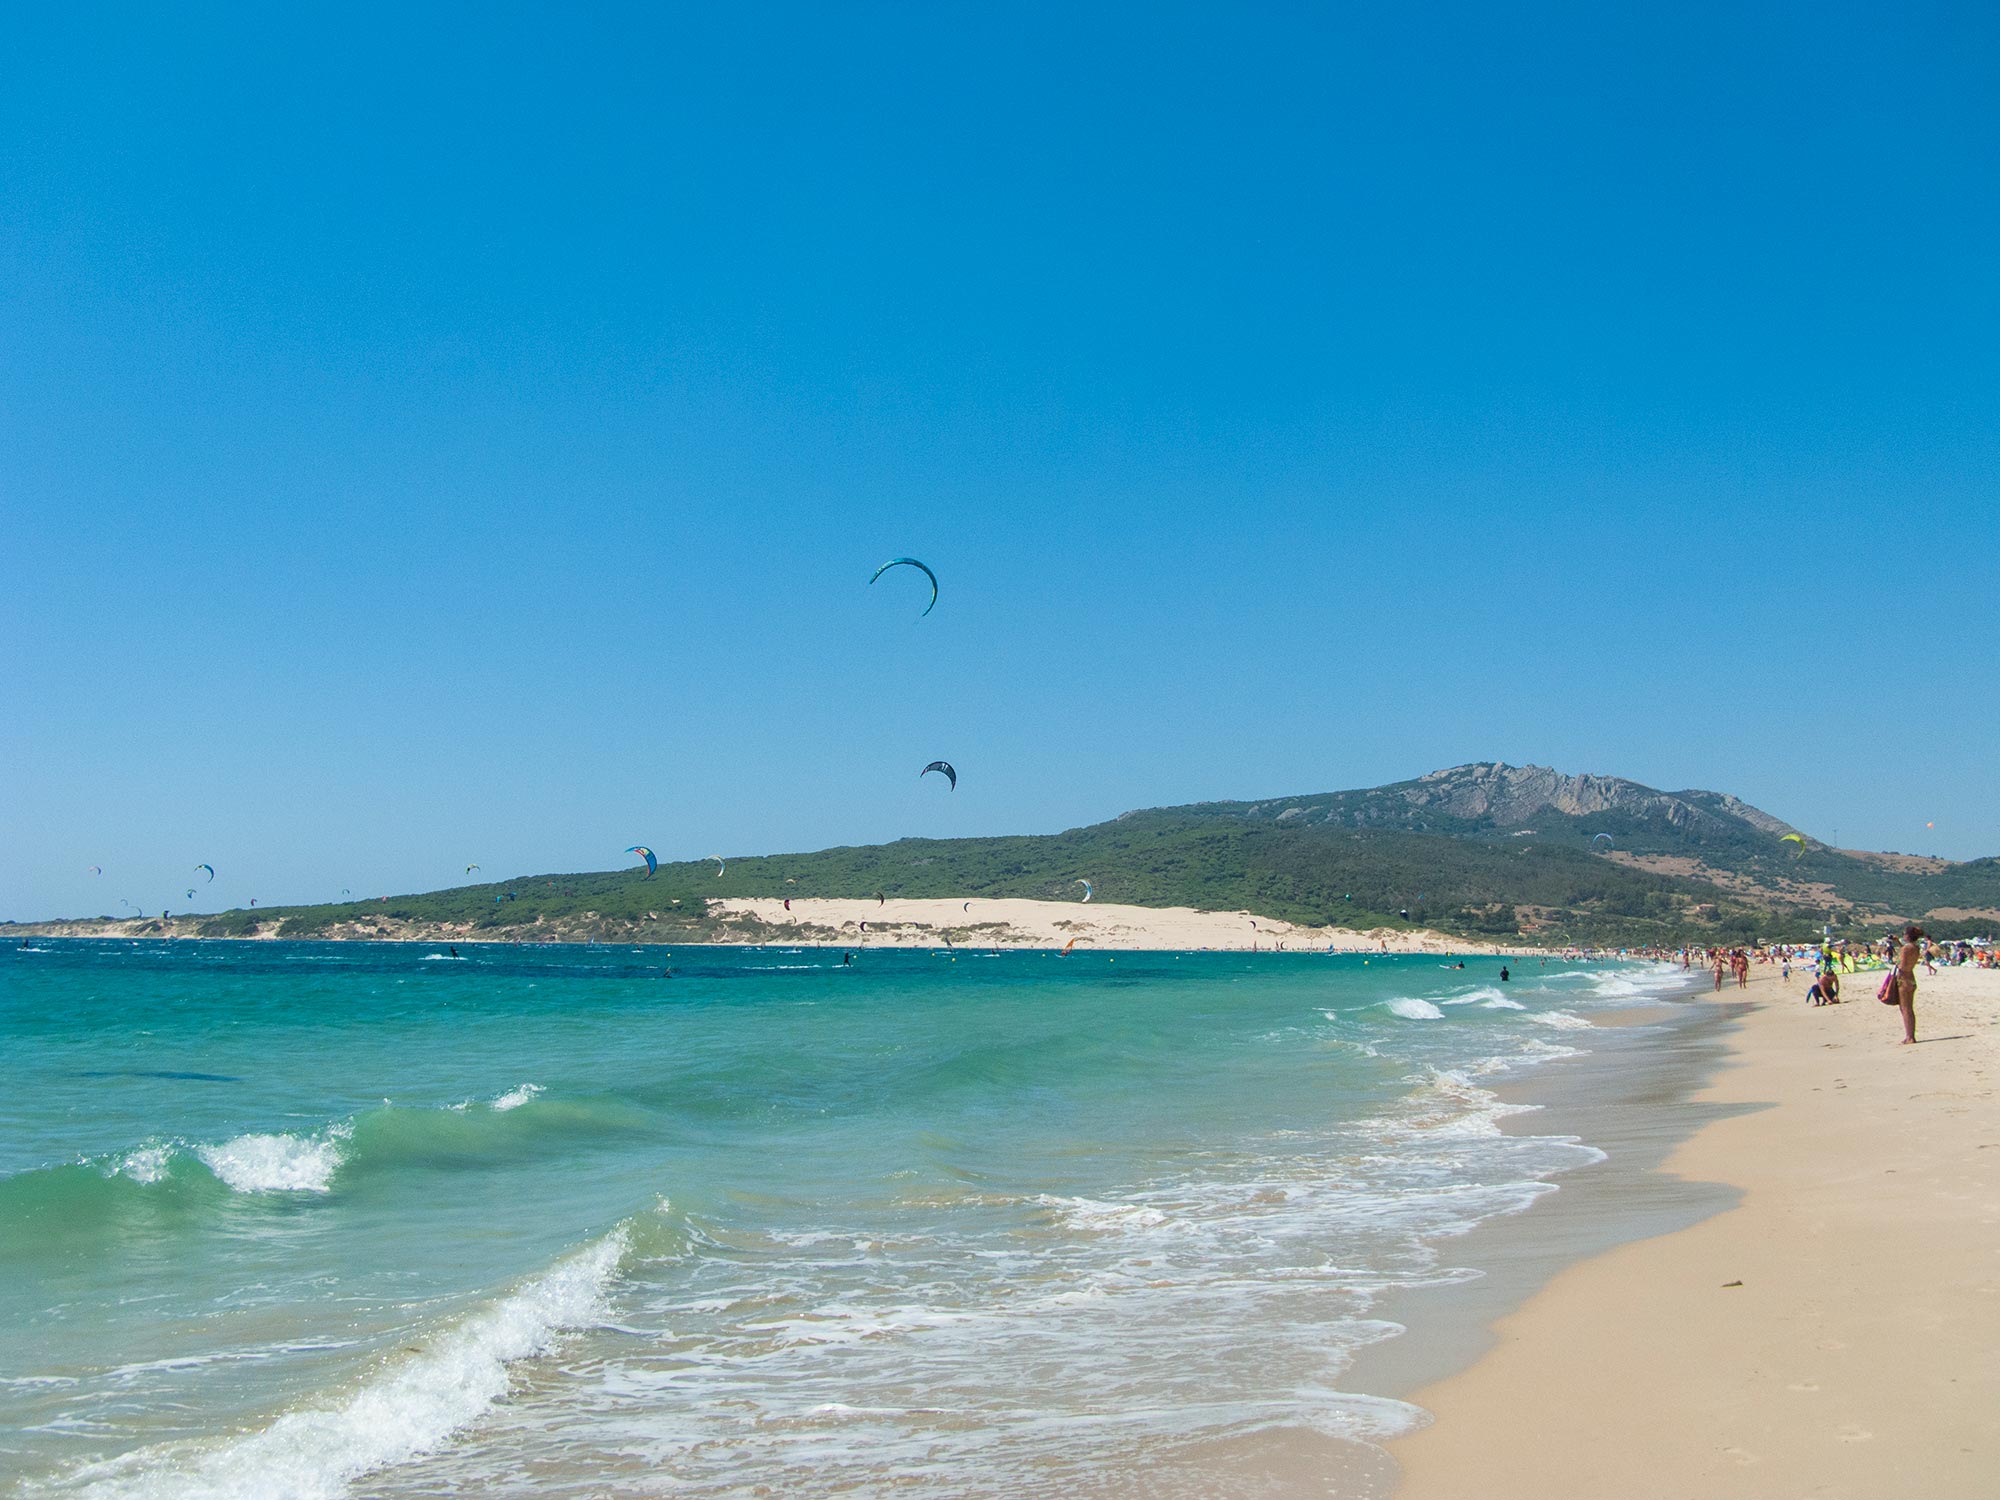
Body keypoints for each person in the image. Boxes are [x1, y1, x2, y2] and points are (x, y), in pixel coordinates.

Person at [1894, 924, 1923, 1044]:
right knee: (1908, 1008)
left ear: (1907, 935)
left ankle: (1910, 1036)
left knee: (1905, 1008)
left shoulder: (1906, 949)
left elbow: (1902, 964)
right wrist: (1898, 943)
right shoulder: (1915, 948)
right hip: (1911, 977)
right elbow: (1905, 953)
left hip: (1904, 978)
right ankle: (1910, 1035)